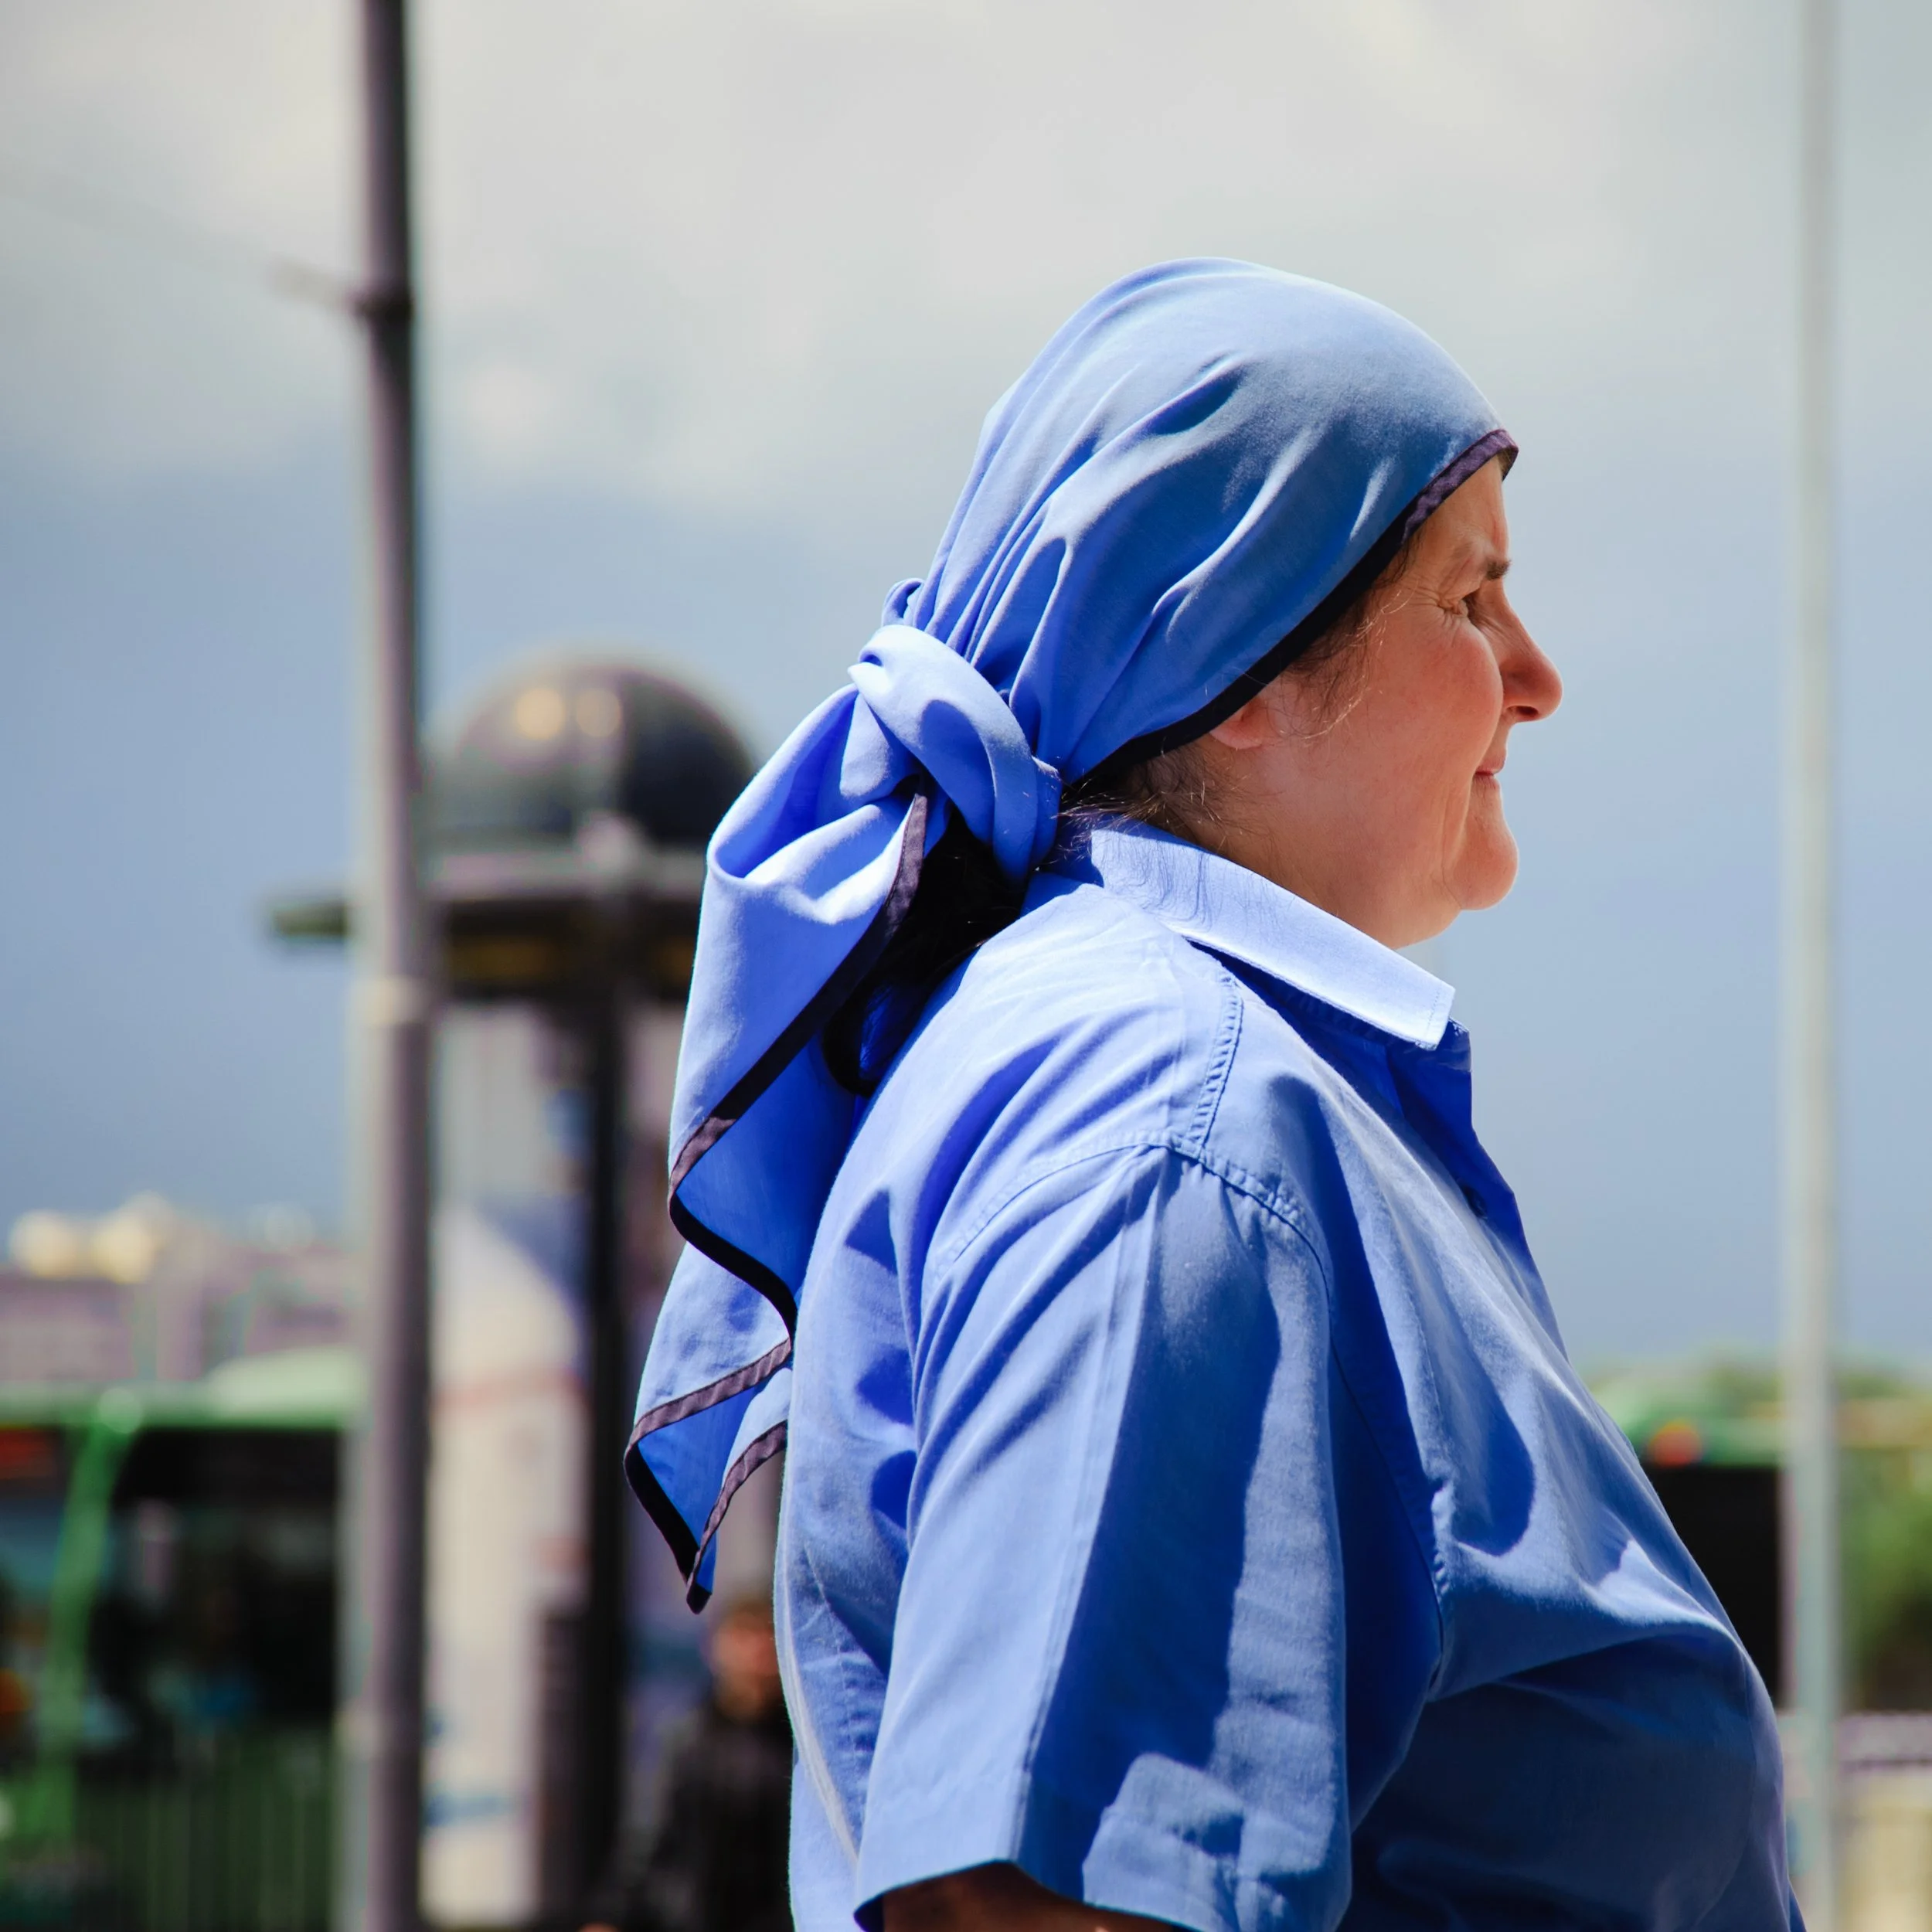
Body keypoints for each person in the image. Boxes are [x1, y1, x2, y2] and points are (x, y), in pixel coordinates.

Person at [627, 261, 1798, 1930]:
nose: (1534, 675)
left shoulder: (1162, 1074)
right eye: (1469, 600)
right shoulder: (1169, 1119)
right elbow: (1034, 1899)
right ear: (1238, 668)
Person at [583, 1593, 793, 1932]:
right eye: (744, 1637)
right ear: (715, 1648)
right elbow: (648, 1837)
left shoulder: (798, 1744)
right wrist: (610, 1914)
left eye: (766, 1640)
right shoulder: (687, 1739)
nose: (756, 1655)